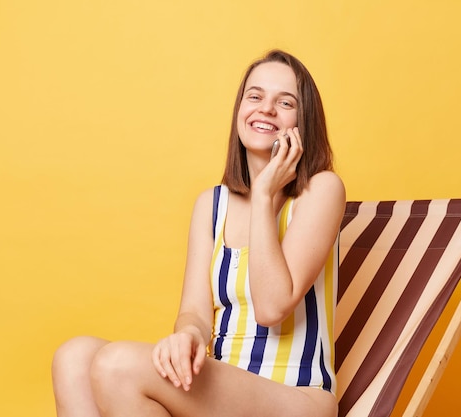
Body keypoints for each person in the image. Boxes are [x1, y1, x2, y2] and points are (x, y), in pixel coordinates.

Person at [51, 49, 346, 417]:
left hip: (294, 395)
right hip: (220, 389)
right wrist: (188, 337)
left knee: (116, 366)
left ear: (305, 122)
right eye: (254, 96)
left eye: (284, 102)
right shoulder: (212, 204)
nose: (265, 108)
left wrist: (264, 195)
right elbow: (194, 312)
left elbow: (272, 307)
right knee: (73, 358)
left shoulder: (321, 190)